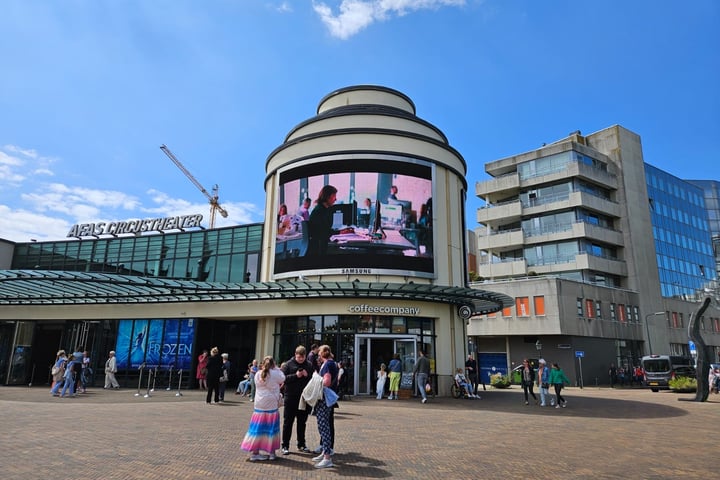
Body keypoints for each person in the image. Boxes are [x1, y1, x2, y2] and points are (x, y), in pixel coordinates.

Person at [240, 355, 285, 461]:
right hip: (271, 404)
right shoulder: (275, 373)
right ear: (273, 364)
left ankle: (255, 452)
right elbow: (283, 378)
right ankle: (272, 453)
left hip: (259, 404)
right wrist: (277, 368)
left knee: (257, 429)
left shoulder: (258, 374)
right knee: (271, 429)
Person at [280, 345, 313, 455]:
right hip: (290, 398)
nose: (300, 360)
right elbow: (283, 379)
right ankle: (285, 445)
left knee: (302, 422)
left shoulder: (309, 365)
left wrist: (307, 375)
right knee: (288, 422)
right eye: (299, 357)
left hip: (304, 398)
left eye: (302, 358)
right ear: (295, 355)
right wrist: (296, 375)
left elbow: (313, 380)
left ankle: (301, 444)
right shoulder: (288, 364)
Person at [312, 345, 338, 469]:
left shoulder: (327, 364)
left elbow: (326, 382)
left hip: (323, 398)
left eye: (319, 352)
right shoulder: (332, 363)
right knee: (325, 425)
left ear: (323, 353)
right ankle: (324, 452)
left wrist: (317, 379)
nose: (318, 354)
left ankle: (327, 457)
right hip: (328, 399)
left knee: (324, 426)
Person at [306, 185, 337, 257]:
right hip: (318, 250)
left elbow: (325, 229)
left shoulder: (324, 209)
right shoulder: (320, 211)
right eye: (334, 196)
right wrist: (340, 232)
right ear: (327, 197)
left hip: (320, 246)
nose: (335, 199)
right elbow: (324, 232)